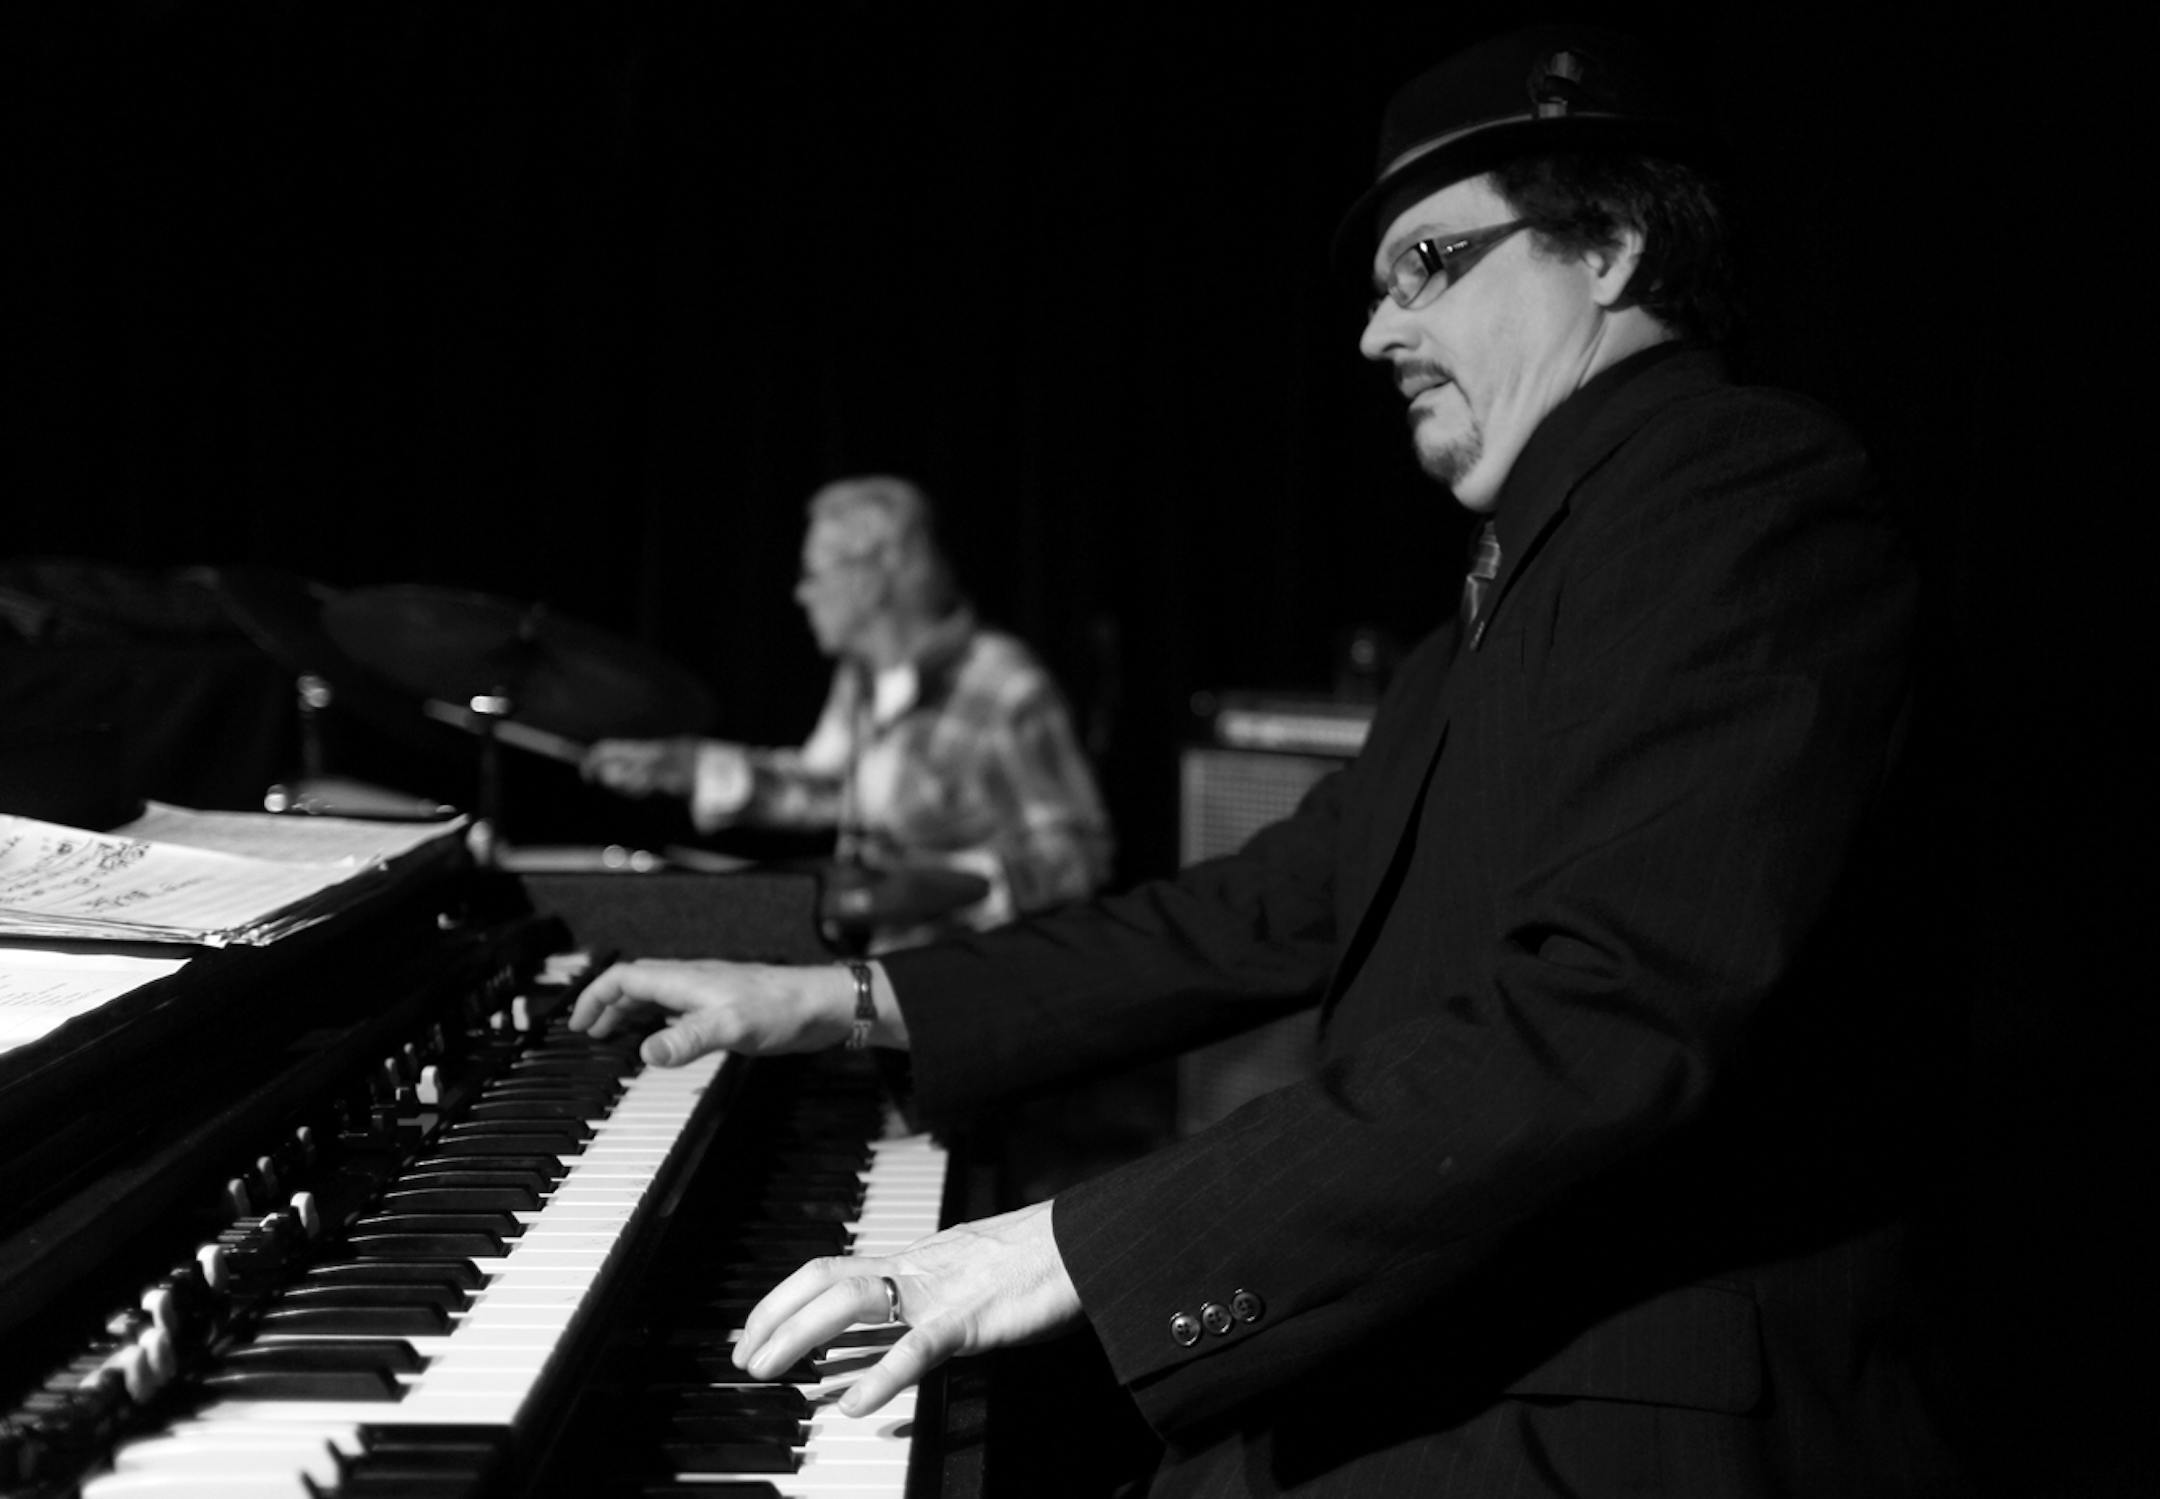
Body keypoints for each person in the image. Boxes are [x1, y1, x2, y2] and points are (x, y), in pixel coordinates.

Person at [571, 25, 1968, 1498]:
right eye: (1375, 288)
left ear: (1610, 245)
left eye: (1428, 263)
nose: (1376, 332)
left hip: (1629, 1403)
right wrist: (852, 997)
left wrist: (1055, 1246)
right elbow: (1271, 904)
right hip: (1474, 1336)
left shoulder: (1739, 494)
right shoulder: (1531, 572)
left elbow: (1607, 1007)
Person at [582, 474, 1114, 952]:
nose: (801, 593)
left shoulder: (1003, 686)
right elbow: (827, 790)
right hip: (880, 967)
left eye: (813, 573)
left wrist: (951, 885)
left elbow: (1079, 857)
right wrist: (688, 766)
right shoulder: (860, 679)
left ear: (875, 572)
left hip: (978, 977)